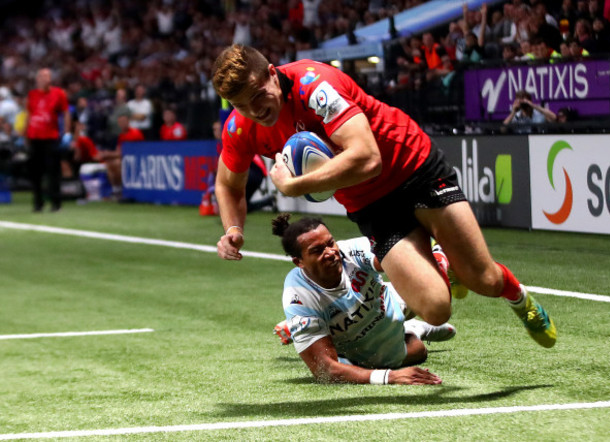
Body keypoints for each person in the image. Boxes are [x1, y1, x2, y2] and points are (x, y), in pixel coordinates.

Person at [210, 44, 557, 350]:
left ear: (272, 74)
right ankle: (443, 265)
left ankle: (518, 297)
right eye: (241, 105)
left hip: (415, 167)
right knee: (436, 308)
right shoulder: (241, 127)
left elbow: (367, 158)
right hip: (372, 205)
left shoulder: (315, 85)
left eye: (258, 95)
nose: (254, 109)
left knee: (484, 279)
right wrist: (233, 229)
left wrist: (293, 186)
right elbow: (228, 184)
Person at [271, 213, 456, 385]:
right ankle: (415, 328)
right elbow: (324, 370)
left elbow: (395, 258)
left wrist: (437, 263)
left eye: (330, 243)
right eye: (317, 250)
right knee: (418, 351)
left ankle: (305, 325)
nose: (330, 252)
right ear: (299, 262)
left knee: (426, 292)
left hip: (387, 301)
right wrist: (388, 376)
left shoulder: (353, 251)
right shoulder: (298, 295)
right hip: (356, 342)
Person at [26, 68, 71, 212]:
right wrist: (25, 134)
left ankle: (56, 204)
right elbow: (29, 114)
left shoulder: (58, 93)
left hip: (51, 137)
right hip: (35, 137)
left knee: (53, 172)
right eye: (42, 76)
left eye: (47, 76)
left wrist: (67, 132)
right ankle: (38, 204)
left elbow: (66, 113)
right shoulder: (32, 95)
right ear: (37, 79)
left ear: (50, 79)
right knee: (36, 173)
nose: (44, 79)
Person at [99, 114, 144, 197]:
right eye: (120, 122)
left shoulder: (135, 133)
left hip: (135, 159)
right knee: (109, 163)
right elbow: (118, 150)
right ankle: (116, 189)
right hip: (124, 158)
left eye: (124, 121)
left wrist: (109, 154)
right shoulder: (121, 135)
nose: (122, 124)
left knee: (117, 163)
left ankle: (122, 188)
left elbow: (138, 149)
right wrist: (109, 154)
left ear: (128, 122)